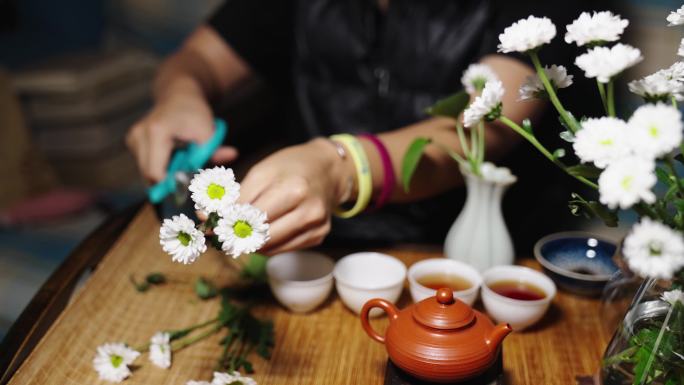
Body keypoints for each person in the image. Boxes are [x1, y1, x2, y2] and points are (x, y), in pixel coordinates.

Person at [127, 0, 602, 255]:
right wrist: (179, 96)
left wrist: (340, 168)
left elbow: (478, 130)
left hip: (461, 255)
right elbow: (198, 59)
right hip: (316, 250)